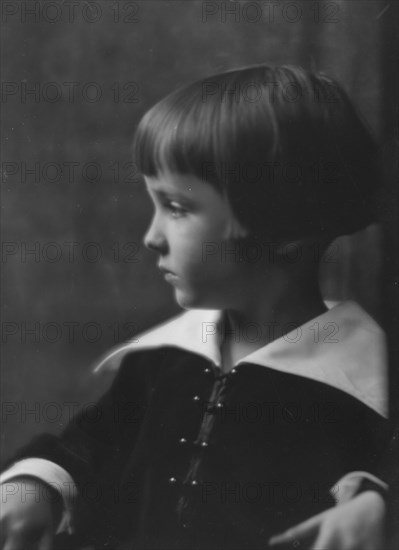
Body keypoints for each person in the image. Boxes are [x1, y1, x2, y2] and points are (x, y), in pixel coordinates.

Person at [0, 65, 392, 550]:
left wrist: (376, 506)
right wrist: (34, 484)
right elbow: (85, 447)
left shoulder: (367, 384)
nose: (151, 238)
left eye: (177, 208)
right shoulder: (162, 360)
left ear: (286, 230)